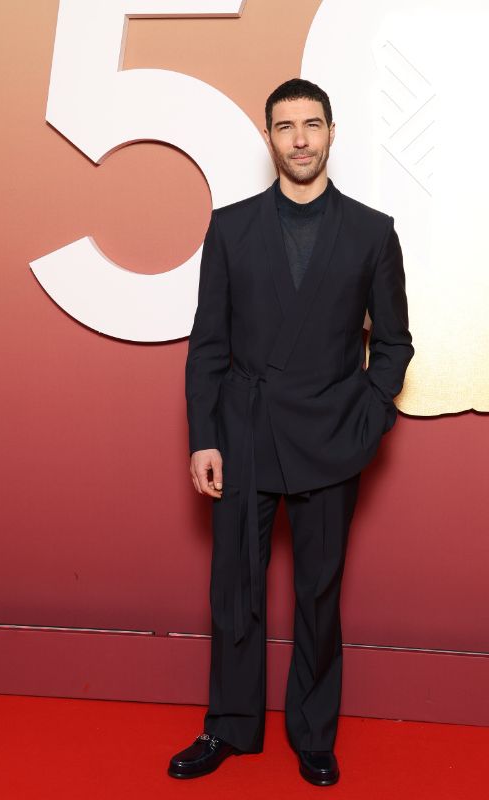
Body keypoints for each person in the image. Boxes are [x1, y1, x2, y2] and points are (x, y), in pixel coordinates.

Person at [169, 78, 413, 787]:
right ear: (269, 138)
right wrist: (203, 437)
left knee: (318, 593)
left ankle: (313, 734)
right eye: (286, 126)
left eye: (312, 124)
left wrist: (368, 420)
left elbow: (394, 345)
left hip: (332, 438)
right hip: (243, 433)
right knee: (235, 589)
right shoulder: (232, 226)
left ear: (332, 133)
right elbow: (208, 345)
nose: (300, 138)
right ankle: (230, 727)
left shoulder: (372, 231)